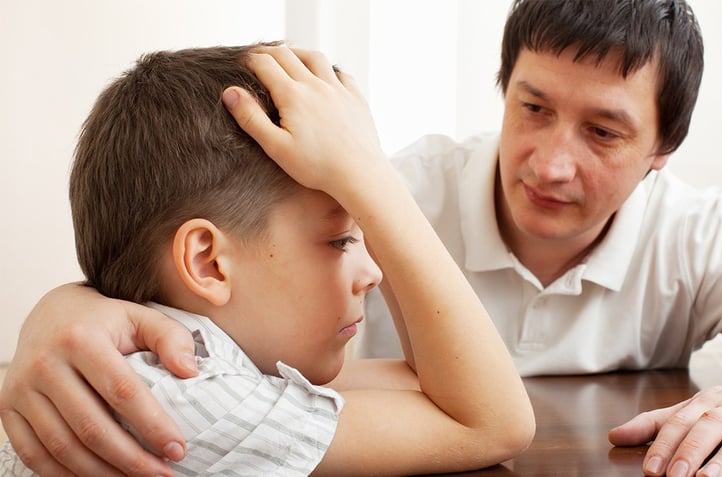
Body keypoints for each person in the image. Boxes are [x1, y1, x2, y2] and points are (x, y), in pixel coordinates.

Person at [2, 0, 722, 476]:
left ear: (663, 153)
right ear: (502, 89)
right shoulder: (368, 191)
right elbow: (173, 275)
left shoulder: (698, 236)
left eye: (603, 133)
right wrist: (68, 305)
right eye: (534, 107)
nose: (551, 163)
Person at [0, 43, 535, 476]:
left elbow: (436, 389)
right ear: (209, 262)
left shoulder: (206, 359)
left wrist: (364, 170)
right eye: (341, 240)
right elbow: (492, 423)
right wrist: (375, 185)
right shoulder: (191, 396)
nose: (372, 274)